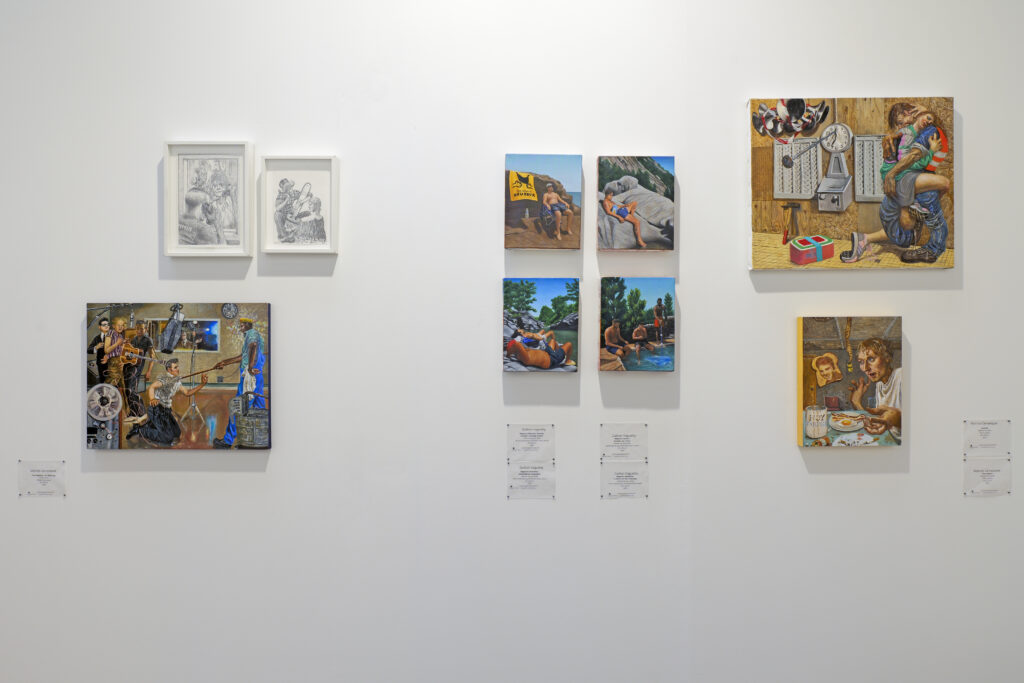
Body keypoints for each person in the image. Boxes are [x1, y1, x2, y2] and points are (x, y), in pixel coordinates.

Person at [842, 106, 951, 265]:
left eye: (905, 119)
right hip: (900, 178)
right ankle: (918, 217)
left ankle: (864, 239)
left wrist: (926, 113)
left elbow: (913, 159)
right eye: (899, 123)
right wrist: (930, 151)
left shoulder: (916, 132)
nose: (903, 125)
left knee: (906, 235)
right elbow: (910, 161)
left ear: (912, 114)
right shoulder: (906, 135)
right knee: (943, 184)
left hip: (899, 183)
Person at [124, 360, 208, 447]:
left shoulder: (177, 382)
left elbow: (187, 393)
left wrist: (202, 384)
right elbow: (151, 387)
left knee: (177, 433)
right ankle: (140, 430)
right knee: (167, 438)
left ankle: (150, 426)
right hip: (157, 409)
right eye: (175, 367)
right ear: (169, 370)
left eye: (177, 367)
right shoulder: (164, 379)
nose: (178, 369)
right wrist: (152, 398)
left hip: (166, 411)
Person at [213, 318, 266, 449]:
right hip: (258, 377)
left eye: (241, 326)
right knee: (259, 408)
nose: (240, 328)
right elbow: (245, 356)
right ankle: (259, 438)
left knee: (238, 406)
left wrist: (250, 367)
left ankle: (228, 441)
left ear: (247, 325)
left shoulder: (251, 335)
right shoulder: (255, 335)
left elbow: (253, 346)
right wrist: (225, 362)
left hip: (250, 376)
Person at [848, 338, 902, 438]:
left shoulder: (901, 376)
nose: (865, 368)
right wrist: (857, 403)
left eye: (871, 359)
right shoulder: (879, 384)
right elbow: (880, 421)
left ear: (887, 357)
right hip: (889, 438)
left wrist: (897, 418)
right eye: (861, 362)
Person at [123, 322, 157, 417]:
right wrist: (126, 344)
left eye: (141, 329)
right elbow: (131, 352)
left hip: (138, 367)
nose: (139, 331)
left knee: (131, 390)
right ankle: (133, 413)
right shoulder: (134, 339)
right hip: (130, 366)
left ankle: (141, 412)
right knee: (128, 390)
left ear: (146, 329)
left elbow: (152, 357)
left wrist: (149, 371)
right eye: (137, 328)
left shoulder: (148, 340)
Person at [505, 328, 574, 369]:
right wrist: (508, 354)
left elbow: (515, 345)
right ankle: (566, 361)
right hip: (552, 359)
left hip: (548, 354)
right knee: (569, 344)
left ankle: (560, 352)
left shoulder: (523, 353)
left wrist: (508, 354)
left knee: (553, 341)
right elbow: (516, 344)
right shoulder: (525, 356)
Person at [102, 317, 129, 389]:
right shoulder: (110, 333)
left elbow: (120, 351)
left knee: (121, 384)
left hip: (119, 361)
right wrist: (117, 343)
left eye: (122, 325)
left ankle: (121, 397)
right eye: (118, 325)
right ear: (113, 326)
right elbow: (106, 350)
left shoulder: (120, 336)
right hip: (113, 361)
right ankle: (103, 394)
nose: (120, 327)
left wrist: (123, 344)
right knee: (112, 382)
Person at [88, 318, 111, 385]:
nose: (106, 326)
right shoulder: (97, 338)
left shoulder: (113, 337)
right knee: (102, 382)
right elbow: (89, 350)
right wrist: (96, 347)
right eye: (104, 325)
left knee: (111, 382)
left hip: (111, 364)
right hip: (100, 364)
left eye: (107, 324)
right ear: (99, 327)